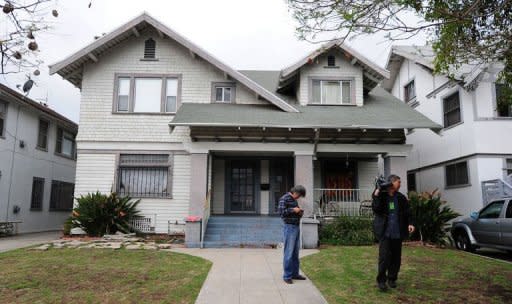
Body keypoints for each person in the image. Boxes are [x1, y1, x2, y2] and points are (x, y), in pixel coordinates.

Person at [372, 174, 415, 291]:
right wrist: (377, 193)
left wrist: (410, 223)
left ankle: (392, 279)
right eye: (399, 182)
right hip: (385, 232)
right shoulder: (382, 195)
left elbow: (408, 212)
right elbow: (376, 209)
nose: (400, 184)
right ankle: (381, 281)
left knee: (396, 258)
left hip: (397, 232)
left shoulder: (401, 197)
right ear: (392, 183)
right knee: (384, 257)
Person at [278, 185, 307, 284]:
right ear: (296, 192)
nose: (299, 197)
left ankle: (295, 274)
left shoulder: (294, 200)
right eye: (299, 195)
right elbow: (281, 213)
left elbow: (295, 212)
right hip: (289, 228)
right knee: (289, 253)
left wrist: (299, 212)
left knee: (295, 253)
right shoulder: (284, 198)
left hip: (296, 227)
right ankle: (287, 276)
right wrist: (293, 210)